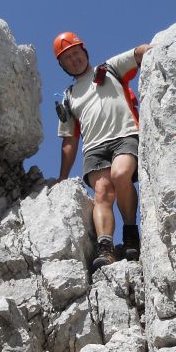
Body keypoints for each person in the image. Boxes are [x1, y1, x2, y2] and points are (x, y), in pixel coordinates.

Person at [53, 31, 151, 270]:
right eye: (67, 58)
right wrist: (62, 178)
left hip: (125, 135)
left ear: (84, 52)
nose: (74, 59)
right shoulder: (68, 98)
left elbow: (139, 53)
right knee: (102, 193)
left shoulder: (109, 69)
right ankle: (105, 248)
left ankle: (130, 233)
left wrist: (160, 46)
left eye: (76, 53)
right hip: (94, 148)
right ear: (62, 65)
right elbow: (69, 140)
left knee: (120, 175)